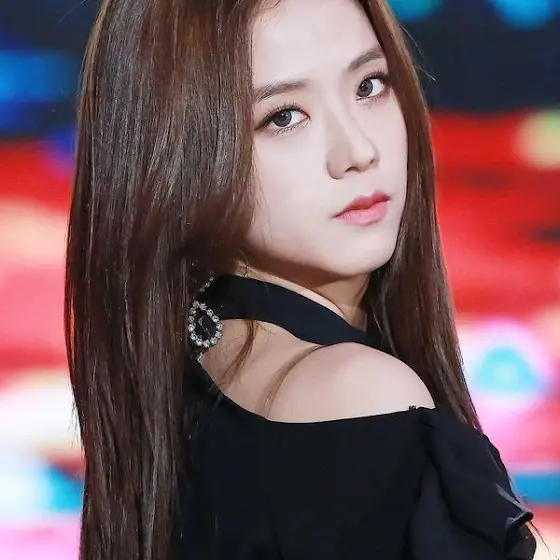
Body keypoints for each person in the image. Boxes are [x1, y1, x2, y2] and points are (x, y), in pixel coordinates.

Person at [65, 0, 538, 558]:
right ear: (176, 152)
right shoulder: (361, 398)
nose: (358, 151)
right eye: (284, 117)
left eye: (369, 85)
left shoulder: (180, 382)